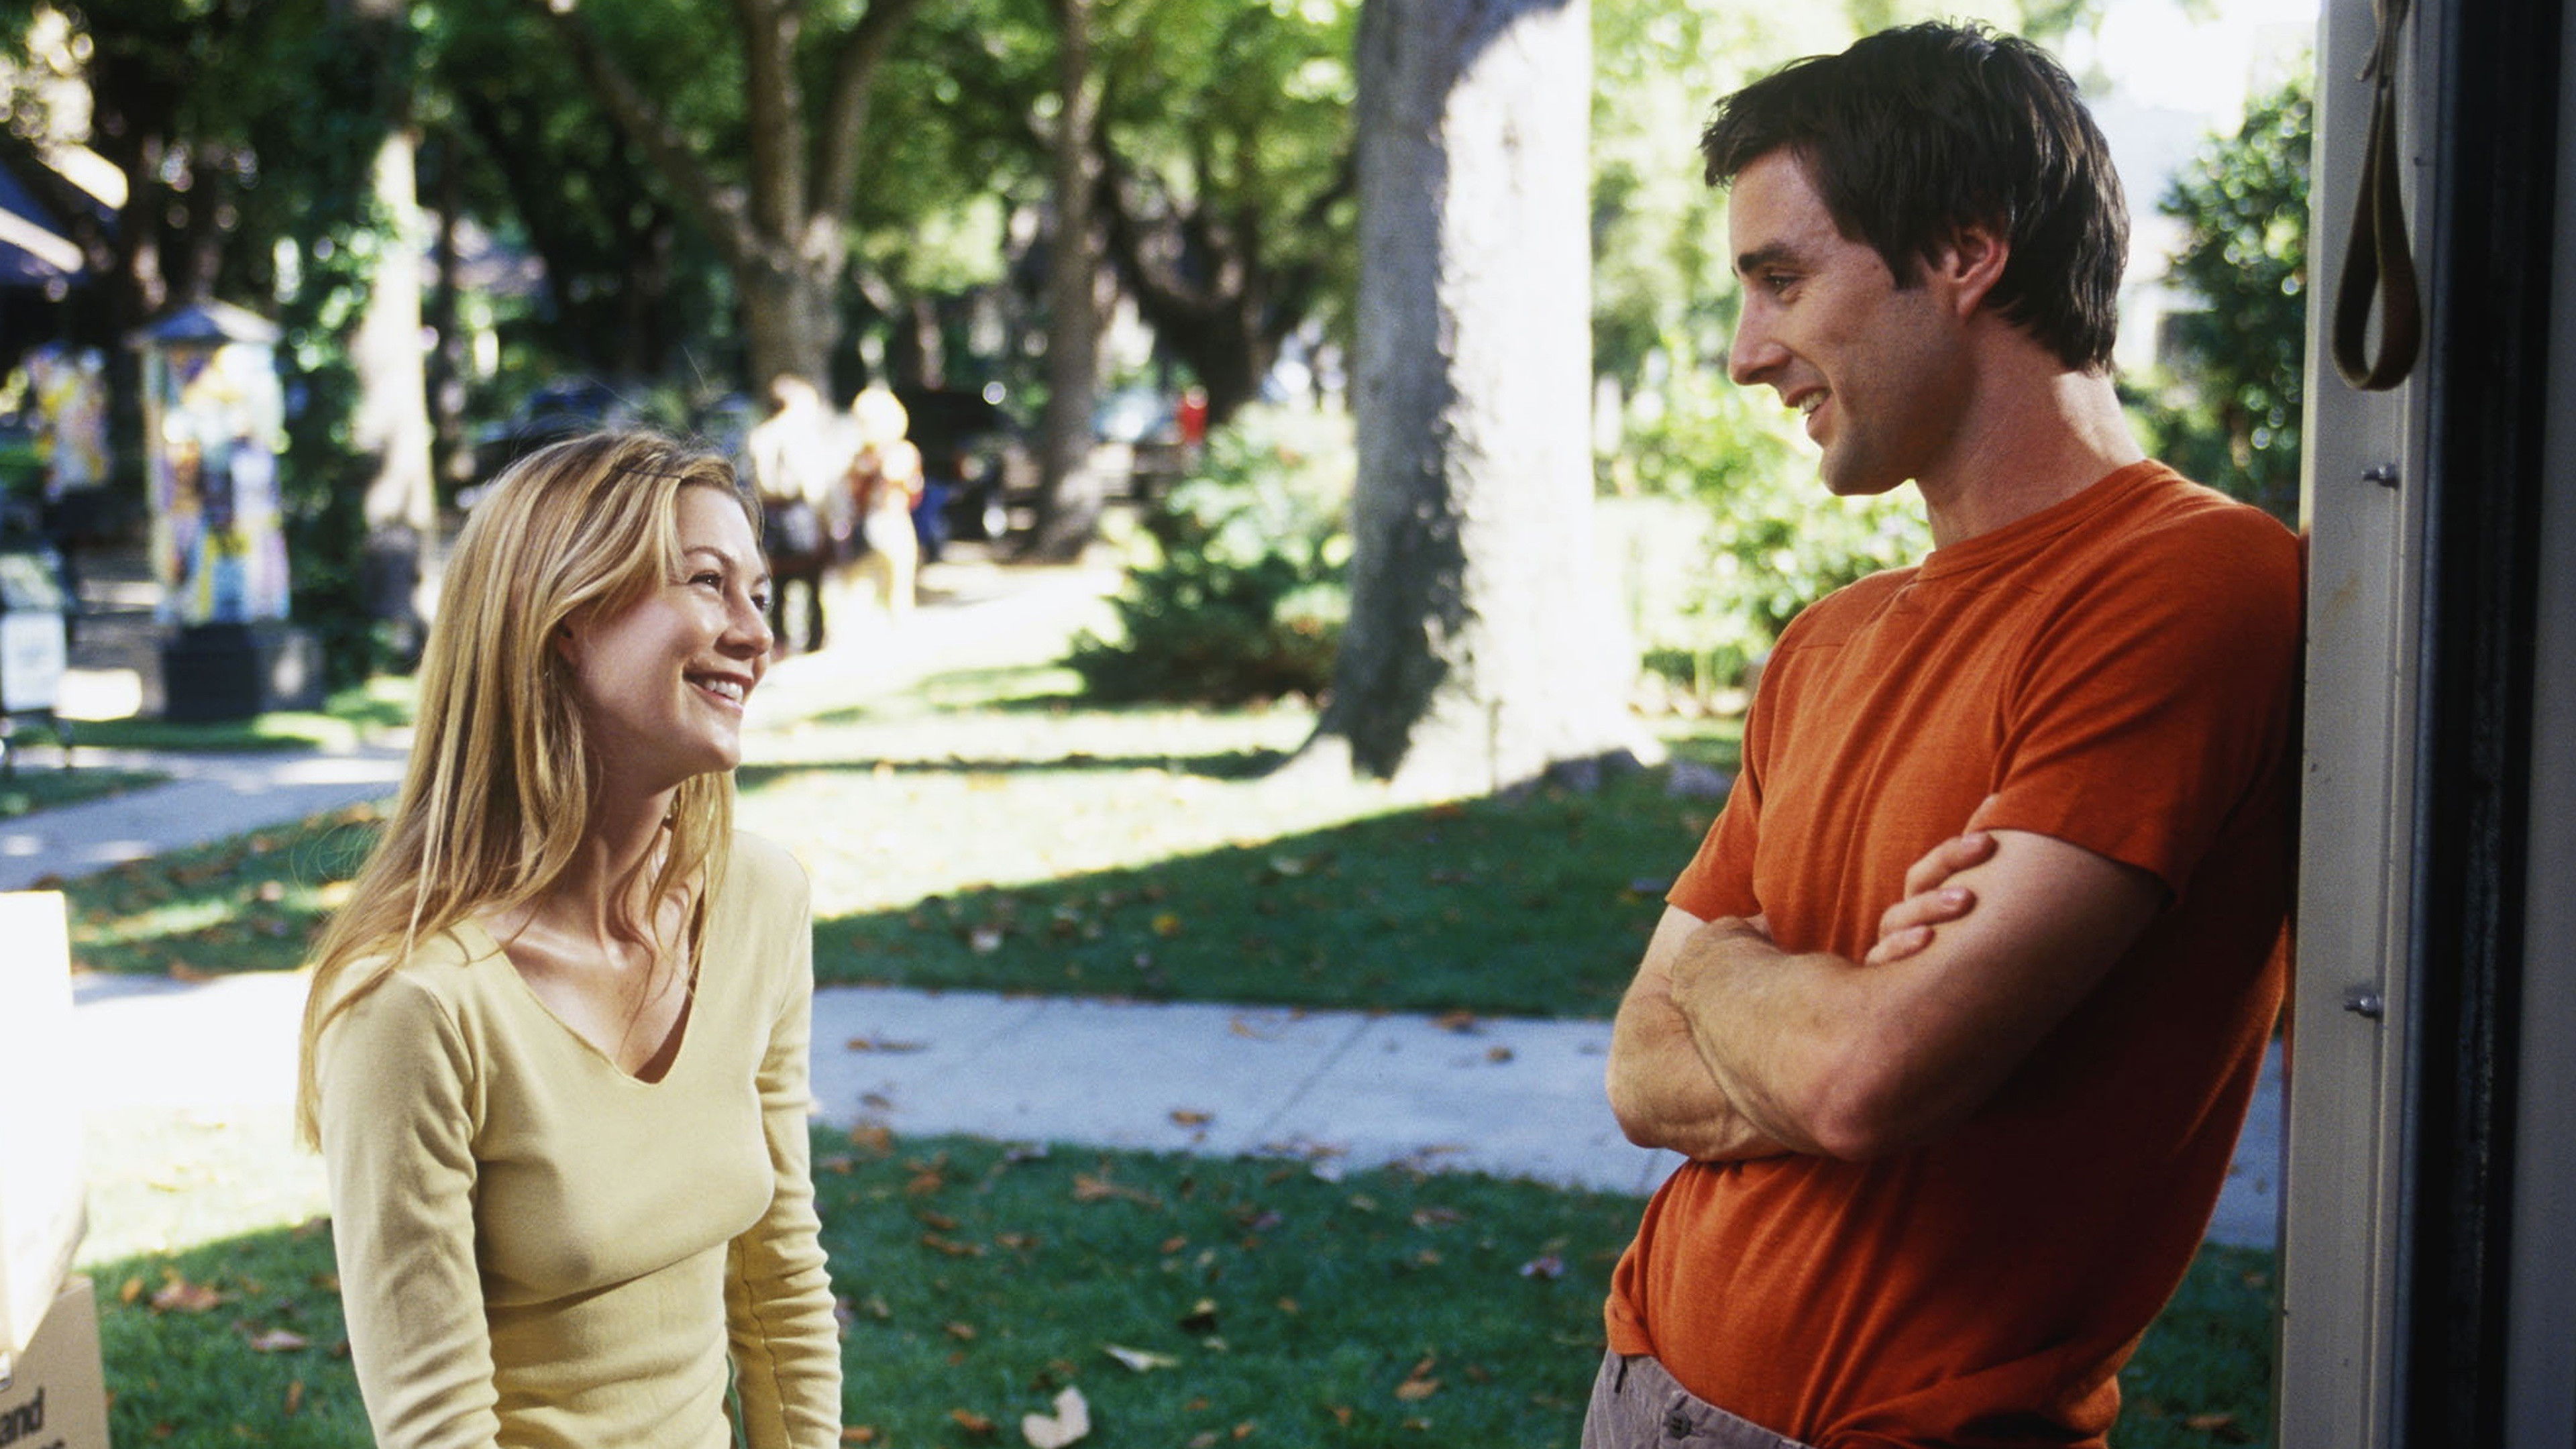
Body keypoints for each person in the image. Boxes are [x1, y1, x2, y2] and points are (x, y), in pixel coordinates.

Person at [1587, 22, 2301, 1449]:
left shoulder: (2191, 585)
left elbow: (1872, 1079)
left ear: (1967, 251)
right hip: (1638, 1381)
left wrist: (1724, 973)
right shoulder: (1826, 646)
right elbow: (1637, 1072)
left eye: (1782, 279)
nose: (1746, 355)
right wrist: (1821, 1013)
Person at [293, 433, 843, 1449]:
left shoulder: (759, 899)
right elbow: (437, 1428)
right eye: (708, 583)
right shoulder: (414, 1004)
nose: (756, 634)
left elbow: (780, 1278)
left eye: (760, 595)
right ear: (566, 621)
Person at [746, 375, 846, 654]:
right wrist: (828, 520)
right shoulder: (800, 436)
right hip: (800, 515)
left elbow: (755, 484)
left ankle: (780, 640)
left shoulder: (760, 435)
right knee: (813, 580)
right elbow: (813, 486)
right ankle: (815, 639)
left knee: (778, 583)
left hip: (771, 517)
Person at [841, 386, 922, 619]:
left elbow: (897, 478)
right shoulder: (860, 456)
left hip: (893, 525)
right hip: (866, 526)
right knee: (860, 596)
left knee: (898, 595)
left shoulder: (901, 452)